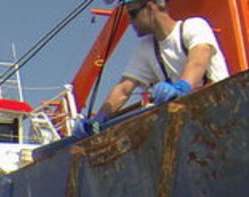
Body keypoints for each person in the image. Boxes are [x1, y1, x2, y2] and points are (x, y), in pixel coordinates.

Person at [84, 0, 229, 132]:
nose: (129, 21)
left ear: (150, 7)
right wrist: (99, 119)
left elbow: (198, 61)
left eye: (132, 14)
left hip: (222, 110)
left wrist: (180, 88)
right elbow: (123, 89)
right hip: (194, 123)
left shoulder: (194, 26)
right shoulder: (146, 48)